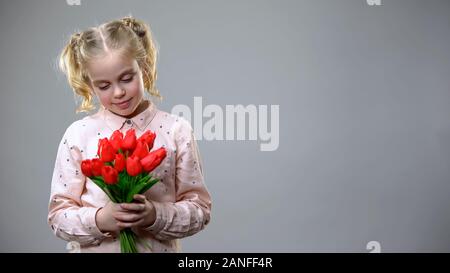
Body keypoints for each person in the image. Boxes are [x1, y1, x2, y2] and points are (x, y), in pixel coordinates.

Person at [48, 16, 212, 253]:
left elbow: (200, 211)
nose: (118, 92)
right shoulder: (79, 135)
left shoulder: (177, 130)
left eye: (127, 78)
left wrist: (155, 215)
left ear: (143, 68)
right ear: (90, 85)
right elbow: (58, 216)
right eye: (103, 86)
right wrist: (100, 219)